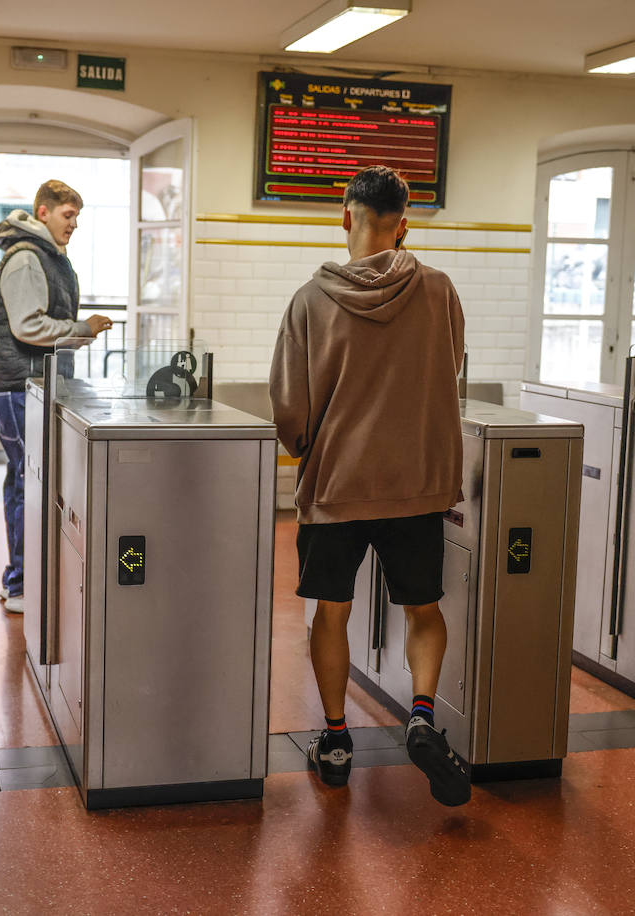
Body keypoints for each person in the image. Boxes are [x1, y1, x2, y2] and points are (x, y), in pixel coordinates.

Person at [269, 165, 471, 806]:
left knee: (332, 613)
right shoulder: (439, 291)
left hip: (337, 485)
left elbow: (288, 409)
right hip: (417, 481)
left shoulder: (309, 300)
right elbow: (454, 368)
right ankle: (419, 715)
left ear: (345, 216)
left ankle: (334, 741)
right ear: (404, 225)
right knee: (424, 610)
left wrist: (312, 451)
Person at [0, 180, 112, 613]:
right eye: (67, 215)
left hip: (32, 385)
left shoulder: (48, 258)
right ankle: (21, 586)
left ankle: (17, 579)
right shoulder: (25, 258)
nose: (74, 224)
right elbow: (27, 326)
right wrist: (82, 328)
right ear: (43, 212)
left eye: (77, 216)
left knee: (23, 479)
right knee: (28, 481)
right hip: (20, 386)